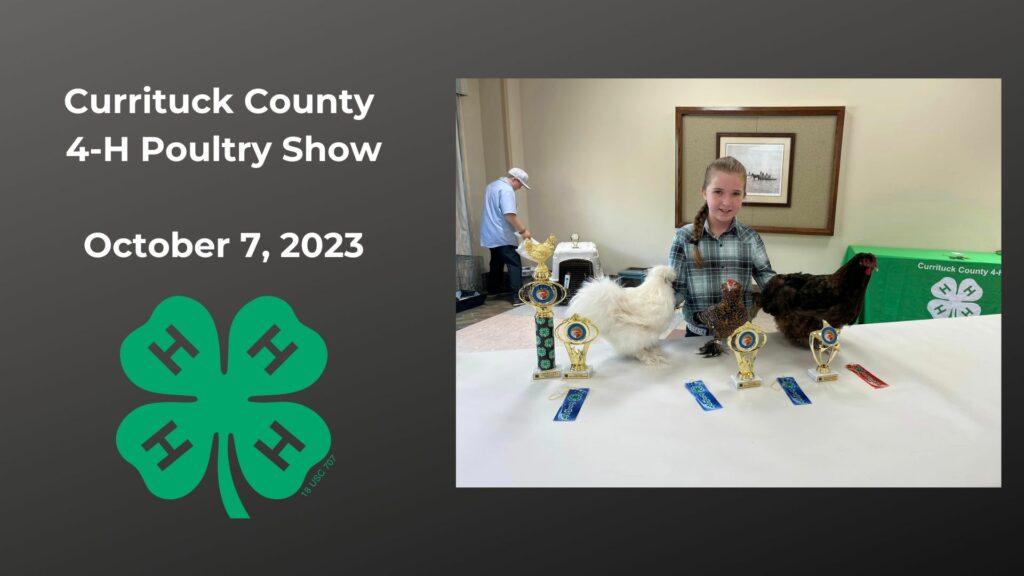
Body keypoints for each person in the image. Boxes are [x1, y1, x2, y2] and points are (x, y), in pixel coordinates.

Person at [668, 156, 776, 336]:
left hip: (741, 337)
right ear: (704, 192)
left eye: (735, 193)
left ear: (744, 196)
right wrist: (650, 307)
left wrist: (796, 297)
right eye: (718, 192)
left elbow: (768, 280)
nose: (727, 202)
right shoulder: (684, 238)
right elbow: (675, 289)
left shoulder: (750, 238)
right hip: (697, 337)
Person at [480, 167, 533, 304]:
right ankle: (518, 297)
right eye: (520, 184)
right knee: (514, 263)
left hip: (490, 233)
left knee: (496, 261)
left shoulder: (491, 186)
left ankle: (493, 290)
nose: (519, 188)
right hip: (502, 233)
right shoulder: (507, 190)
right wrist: (523, 231)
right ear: (514, 179)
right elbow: (509, 214)